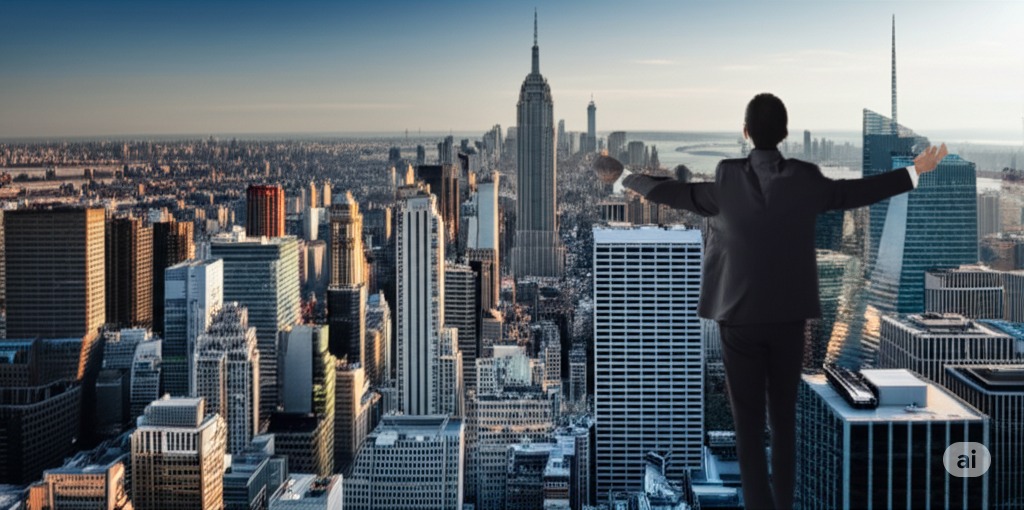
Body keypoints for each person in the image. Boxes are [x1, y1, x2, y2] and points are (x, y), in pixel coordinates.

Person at [596, 92, 948, 510]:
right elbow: (854, 192)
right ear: (784, 133)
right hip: (788, 319)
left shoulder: (726, 179)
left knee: (747, 428)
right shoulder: (805, 178)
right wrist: (913, 172)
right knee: (783, 423)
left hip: (738, 318)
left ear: (745, 133)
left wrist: (623, 178)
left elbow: (674, 194)